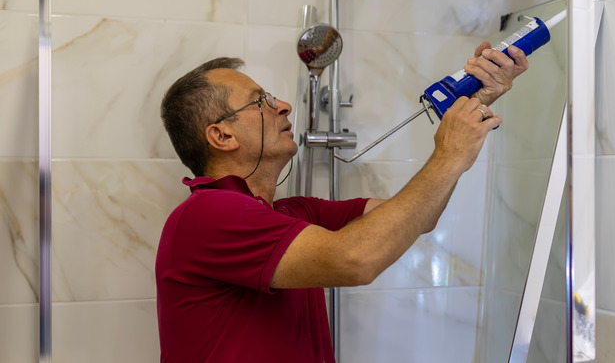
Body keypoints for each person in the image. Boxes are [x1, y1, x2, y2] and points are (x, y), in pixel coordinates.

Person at [155, 42, 530, 362]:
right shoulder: (207, 215)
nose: (283, 105)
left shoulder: (292, 214)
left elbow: (419, 217)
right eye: (260, 102)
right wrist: (447, 156)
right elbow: (356, 261)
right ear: (222, 136)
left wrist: (472, 106)